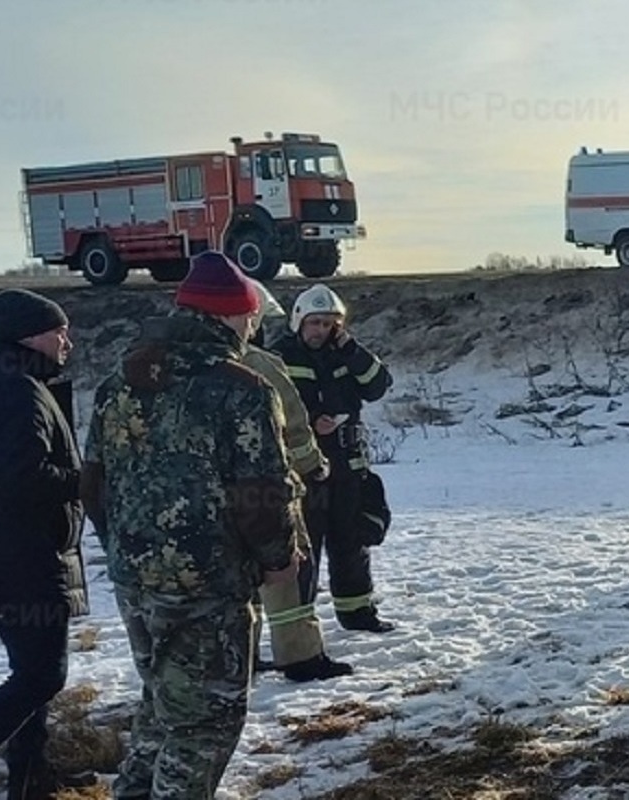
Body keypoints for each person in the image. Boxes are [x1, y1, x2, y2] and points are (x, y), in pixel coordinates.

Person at [79, 251, 300, 800]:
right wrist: (279, 556)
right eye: (250, 317)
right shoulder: (240, 388)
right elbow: (261, 494)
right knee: (206, 721)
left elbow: (93, 483)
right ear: (229, 315)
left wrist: (130, 548)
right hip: (209, 583)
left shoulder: (120, 381)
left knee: (162, 704)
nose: (253, 327)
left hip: (135, 578)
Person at [0, 289, 95, 798]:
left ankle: (30, 776)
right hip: (20, 560)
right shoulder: (16, 390)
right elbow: (22, 478)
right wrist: (83, 481)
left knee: (31, 673)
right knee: (42, 676)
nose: (69, 341)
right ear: (29, 336)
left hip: (7, 556)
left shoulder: (3, 381)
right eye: (59, 331)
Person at [242, 280, 354, 683]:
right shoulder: (261, 365)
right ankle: (301, 658)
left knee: (236, 584)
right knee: (290, 574)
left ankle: (243, 657)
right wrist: (314, 467)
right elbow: (295, 430)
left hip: (203, 503)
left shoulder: (160, 365)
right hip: (267, 491)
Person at [271, 284, 395, 634]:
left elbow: (378, 385)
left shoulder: (344, 354)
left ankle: (358, 613)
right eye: (315, 323)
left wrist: (350, 347)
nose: (321, 331)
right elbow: (270, 405)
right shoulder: (280, 357)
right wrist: (311, 420)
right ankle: (300, 631)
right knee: (303, 552)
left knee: (351, 543)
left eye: (329, 324)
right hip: (304, 471)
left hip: (347, 466)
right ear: (299, 321)